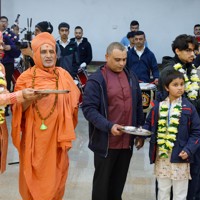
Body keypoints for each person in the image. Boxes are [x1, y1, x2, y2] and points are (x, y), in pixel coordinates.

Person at [11, 32, 80, 200]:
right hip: (34, 138)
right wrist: (28, 99)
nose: (48, 56)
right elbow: (16, 110)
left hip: (57, 137)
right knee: (32, 177)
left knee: (56, 177)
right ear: (35, 54)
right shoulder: (25, 78)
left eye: (51, 52)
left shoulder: (63, 75)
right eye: (43, 52)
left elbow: (74, 103)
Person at [82, 42, 144, 200]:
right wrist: (109, 126)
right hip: (106, 143)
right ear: (106, 57)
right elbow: (89, 110)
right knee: (102, 188)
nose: (122, 63)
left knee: (118, 187)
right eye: (117, 59)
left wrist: (139, 131)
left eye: (124, 59)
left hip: (126, 143)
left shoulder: (131, 76)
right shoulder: (96, 80)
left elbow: (137, 105)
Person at [143, 69, 200, 200]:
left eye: (182, 84)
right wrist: (141, 133)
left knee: (180, 193)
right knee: (163, 191)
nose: (180, 88)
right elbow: (149, 124)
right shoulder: (158, 106)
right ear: (166, 87)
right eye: (175, 85)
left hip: (181, 156)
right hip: (162, 156)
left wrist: (189, 149)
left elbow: (197, 132)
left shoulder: (189, 107)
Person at [158, 34, 200, 200]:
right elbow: (167, 103)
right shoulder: (170, 71)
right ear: (177, 51)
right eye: (188, 50)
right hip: (174, 131)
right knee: (166, 183)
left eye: (194, 51)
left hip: (191, 131)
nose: (193, 54)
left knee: (191, 176)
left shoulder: (190, 68)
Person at [0, 31, 38, 173]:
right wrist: (19, 95)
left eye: (2, 44)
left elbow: (3, 94)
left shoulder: (1, 67)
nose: (2, 48)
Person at [0, 16, 21, 116]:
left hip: (7, 63)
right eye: (2, 21)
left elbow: (18, 48)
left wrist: (10, 47)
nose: (3, 23)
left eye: (5, 22)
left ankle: (5, 108)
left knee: (6, 85)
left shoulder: (11, 35)